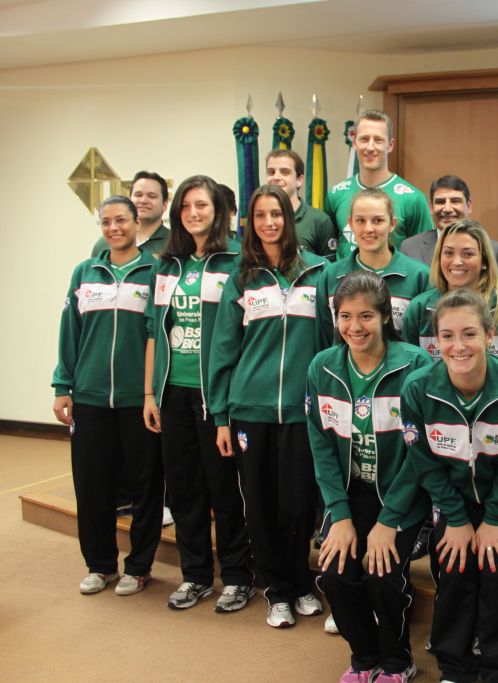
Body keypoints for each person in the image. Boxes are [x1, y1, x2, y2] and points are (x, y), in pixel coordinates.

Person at [401, 288, 498, 683]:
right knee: (454, 565)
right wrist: (457, 519)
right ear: (435, 341)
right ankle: (455, 665)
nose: (458, 346)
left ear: (490, 336)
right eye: (447, 336)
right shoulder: (417, 388)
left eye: (469, 334)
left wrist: (494, 519)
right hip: (452, 496)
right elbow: (424, 461)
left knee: (496, 569)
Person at [208, 184, 327, 628]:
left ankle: (300, 584)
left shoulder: (319, 273)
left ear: (288, 219)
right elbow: (222, 350)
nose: (269, 223)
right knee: (258, 504)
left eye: (275, 214)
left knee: (298, 504)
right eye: (259, 216)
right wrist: (221, 416)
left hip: (301, 412)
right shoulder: (242, 279)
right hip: (249, 411)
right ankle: (277, 591)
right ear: (250, 223)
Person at [307, 270, 434, 683]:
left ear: (384, 317)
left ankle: (397, 660)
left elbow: (421, 453)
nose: (354, 327)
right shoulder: (322, 368)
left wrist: (388, 521)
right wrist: (339, 517)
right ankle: (363, 658)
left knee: (383, 576)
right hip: (349, 495)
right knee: (335, 572)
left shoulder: (417, 366)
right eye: (345, 316)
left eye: (365, 316)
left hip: (402, 496)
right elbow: (321, 446)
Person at [143, 174, 254, 612]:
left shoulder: (235, 263)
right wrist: (151, 394)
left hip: (217, 397)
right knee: (185, 490)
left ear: (219, 211)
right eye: (186, 206)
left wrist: (230, 400)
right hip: (174, 394)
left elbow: (243, 335)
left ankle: (237, 577)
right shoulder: (166, 266)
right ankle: (195, 576)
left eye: (202, 205)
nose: (193, 213)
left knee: (224, 490)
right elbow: (156, 331)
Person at [54, 195, 163, 596]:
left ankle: (139, 566)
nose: (114, 227)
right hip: (90, 397)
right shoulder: (86, 272)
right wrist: (62, 385)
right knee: (92, 485)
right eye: (106, 221)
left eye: (121, 220)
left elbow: (158, 336)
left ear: (137, 223)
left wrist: (153, 392)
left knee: (145, 484)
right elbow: (70, 330)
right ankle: (100, 565)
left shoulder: (154, 271)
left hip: (138, 399)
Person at [318, 188, 430, 344]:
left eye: (378, 220)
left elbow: (426, 341)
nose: (368, 229)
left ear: (392, 224)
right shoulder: (331, 276)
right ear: (350, 224)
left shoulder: (420, 276)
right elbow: (324, 340)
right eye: (360, 221)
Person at [402, 219, 498, 361]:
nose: (457, 261)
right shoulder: (419, 308)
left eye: (468, 254)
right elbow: (411, 366)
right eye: (448, 253)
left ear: (484, 261)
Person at [326, 109, 432, 257]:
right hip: (344, 279)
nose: (370, 147)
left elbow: (425, 255)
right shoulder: (335, 194)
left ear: (390, 145)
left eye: (378, 140)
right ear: (354, 142)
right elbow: (328, 252)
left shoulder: (413, 199)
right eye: (364, 139)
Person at [400, 175, 498, 268]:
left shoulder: (493, 250)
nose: (447, 209)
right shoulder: (410, 248)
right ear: (431, 207)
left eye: (455, 201)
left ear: (469, 206)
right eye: (440, 202)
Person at [266, 149, 338, 257]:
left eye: (285, 172)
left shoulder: (319, 221)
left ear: (299, 180)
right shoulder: (259, 219)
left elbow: (329, 269)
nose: (276, 177)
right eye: (271, 172)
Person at [90, 171, 171, 257]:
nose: (143, 201)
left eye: (152, 196)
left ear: (164, 205)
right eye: (138, 195)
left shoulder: (176, 243)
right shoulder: (104, 244)